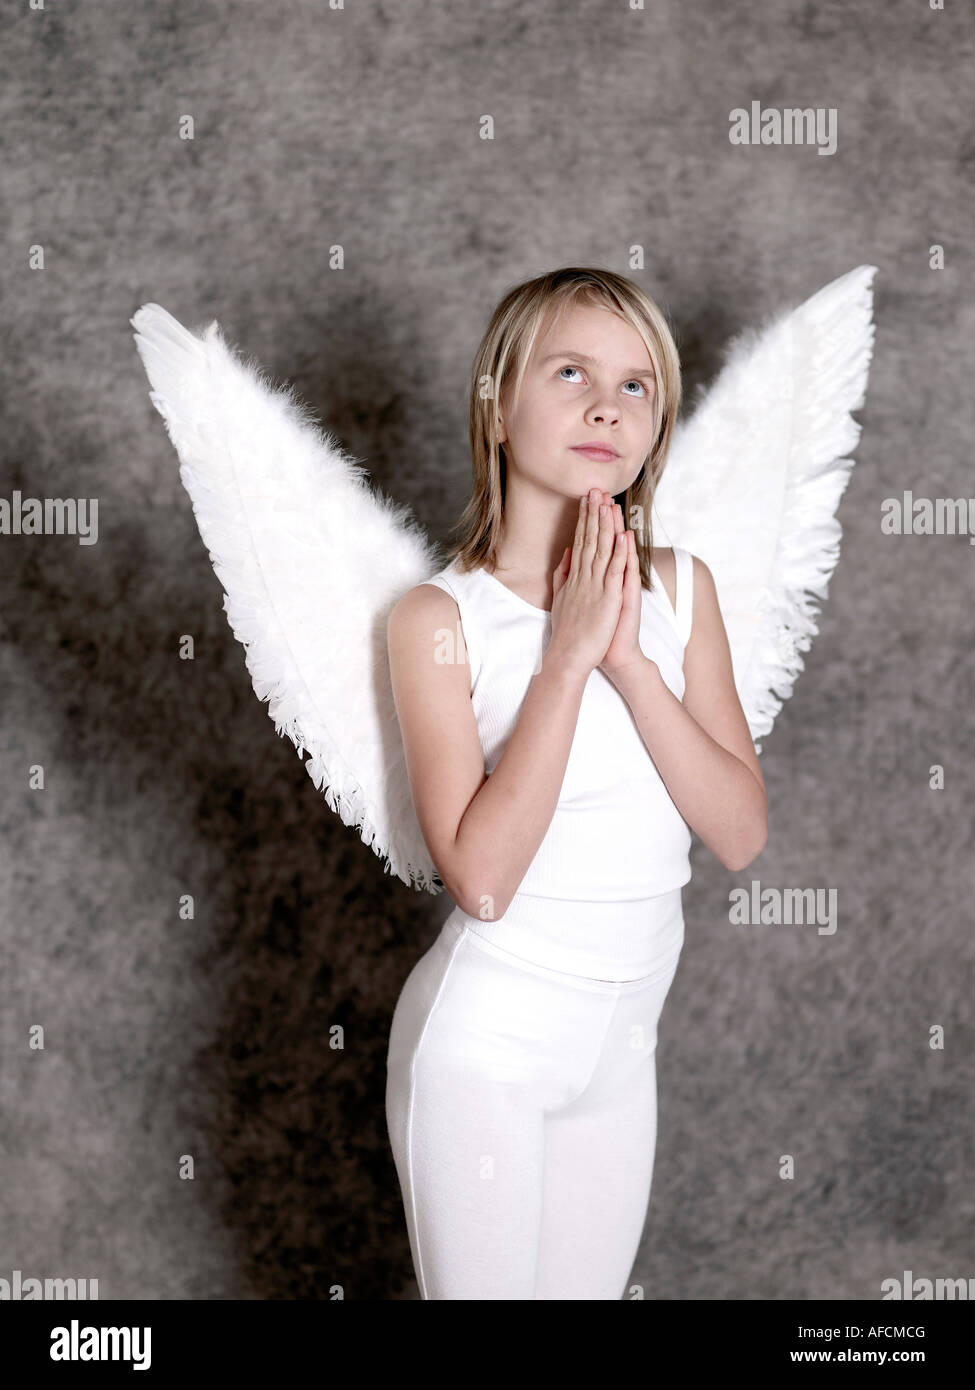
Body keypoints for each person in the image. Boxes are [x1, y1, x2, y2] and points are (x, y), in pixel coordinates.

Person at [384, 266, 768, 1300]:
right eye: (570, 372)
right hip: (485, 1055)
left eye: (639, 386)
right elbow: (485, 881)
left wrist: (630, 659)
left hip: (619, 1054)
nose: (608, 405)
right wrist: (565, 658)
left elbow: (737, 834)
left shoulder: (683, 592)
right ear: (496, 400)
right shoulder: (437, 621)